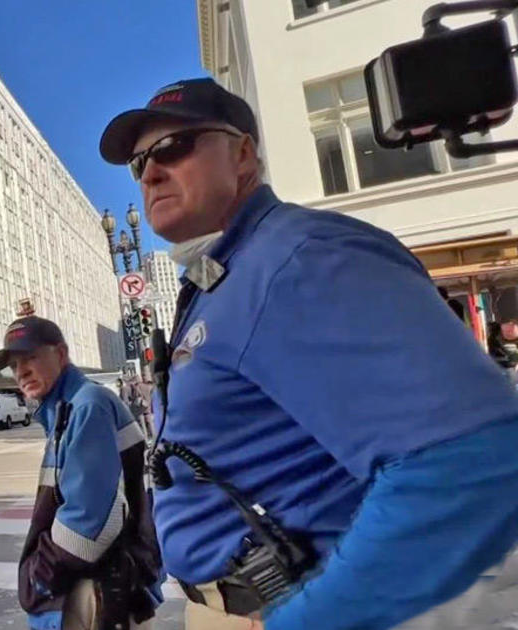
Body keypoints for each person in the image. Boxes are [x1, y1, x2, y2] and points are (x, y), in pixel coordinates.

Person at [98, 77, 518, 629]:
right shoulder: (225, 275)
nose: (150, 173)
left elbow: (469, 463)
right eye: (138, 163)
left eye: (174, 147)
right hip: (233, 604)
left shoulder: (298, 259)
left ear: (243, 152)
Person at [0, 316, 161, 630]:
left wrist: (38, 577)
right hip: (97, 582)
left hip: (97, 588)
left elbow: (89, 524)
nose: (21, 371)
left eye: (30, 357)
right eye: (14, 365)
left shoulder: (87, 405)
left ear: (61, 354)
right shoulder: (66, 408)